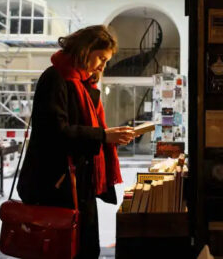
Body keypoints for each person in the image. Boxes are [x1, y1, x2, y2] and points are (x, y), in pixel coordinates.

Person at [17, 25, 135, 258]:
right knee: (64, 250)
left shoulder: (83, 84)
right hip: (56, 187)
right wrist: (103, 136)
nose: (103, 65)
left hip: (78, 184)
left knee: (83, 249)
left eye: (106, 60)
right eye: (101, 57)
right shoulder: (55, 78)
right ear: (86, 50)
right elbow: (54, 132)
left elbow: (83, 128)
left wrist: (107, 135)